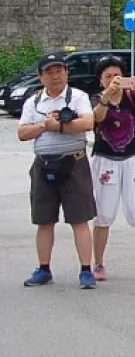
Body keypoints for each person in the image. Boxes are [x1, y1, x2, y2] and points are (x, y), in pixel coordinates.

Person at [17, 53, 98, 289]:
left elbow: (88, 123)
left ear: (66, 73)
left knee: (79, 219)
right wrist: (44, 124)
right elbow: (22, 133)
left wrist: (60, 126)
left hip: (74, 163)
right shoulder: (33, 102)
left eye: (60, 71)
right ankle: (43, 269)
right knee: (44, 220)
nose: (56, 76)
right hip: (43, 165)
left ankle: (86, 270)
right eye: (50, 72)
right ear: (41, 77)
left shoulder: (78, 97)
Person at [91, 56, 135, 281]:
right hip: (106, 159)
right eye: (108, 76)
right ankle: (99, 264)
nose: (113, 80)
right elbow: (96, 118)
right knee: (103, 213)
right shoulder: (96, 99)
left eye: (117, 75)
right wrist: (106, 98)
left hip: (133, 157)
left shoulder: (131, 97)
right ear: (101, 80)